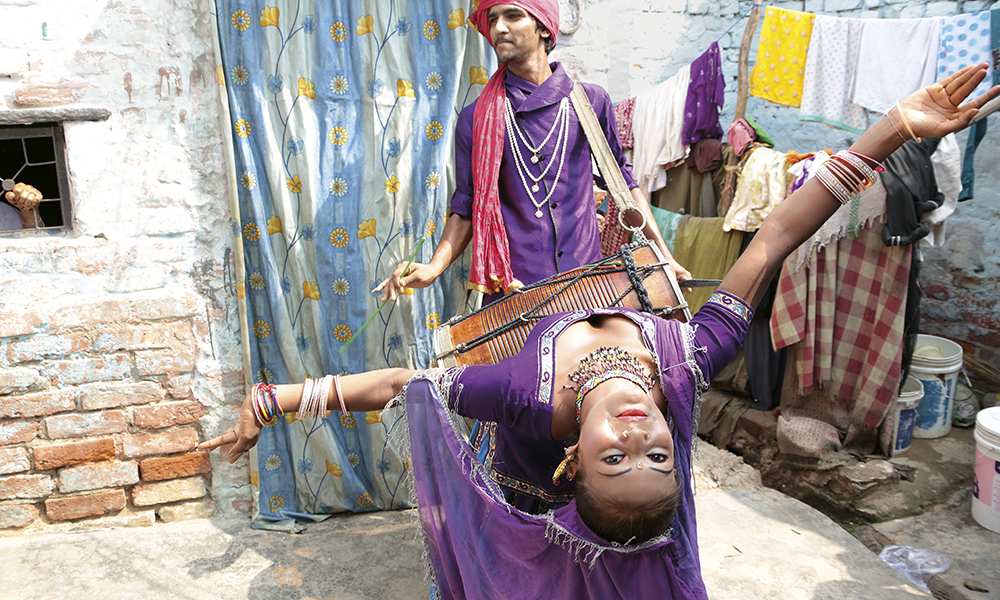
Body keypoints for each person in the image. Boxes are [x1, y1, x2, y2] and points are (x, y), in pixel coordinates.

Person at [202, 66, 998, 599]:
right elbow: (773, 240)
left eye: (616, 458)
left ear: (573, 455)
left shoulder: (525, 394)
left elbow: (394, 386)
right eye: (658, 456)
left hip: (529, 467)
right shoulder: (685, 360)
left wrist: (273, 401)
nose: (639, 436)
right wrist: (893, 130)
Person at [375, 0, 692, 307]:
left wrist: (666, 258)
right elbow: (466, 207)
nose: (499, 27)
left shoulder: (590, 102)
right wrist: (433, 267)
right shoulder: (476, 118)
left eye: (513, 16)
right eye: (493, 19)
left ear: (543, 28)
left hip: (589, 290)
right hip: (514, 297)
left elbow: (624, 187)